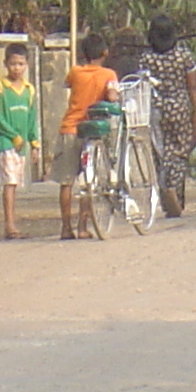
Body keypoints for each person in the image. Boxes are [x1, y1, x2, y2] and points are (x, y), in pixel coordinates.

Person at [135, 17, 196, 218]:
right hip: (179, 106)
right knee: (179, 152)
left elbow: (142, 84)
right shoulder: (184, 56)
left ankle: (166, 195)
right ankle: (174, 190)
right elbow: (192, 87)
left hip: (155, 108)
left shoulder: (146, 58)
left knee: (160, 152)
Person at [55, 35, 119, 241]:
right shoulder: (109, 74)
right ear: (105, 53)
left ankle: (66, 227)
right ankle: (82, 227)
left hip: (70, 129)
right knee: (88, 181)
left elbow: (67, 84)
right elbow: (111, 97)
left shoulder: (75, 72)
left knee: (67, 182)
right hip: (92, 131)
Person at [0, 46, 41, 241]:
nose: (16, 68)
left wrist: (34, 143)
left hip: (22, 144)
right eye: (12, 64)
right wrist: (13, 136)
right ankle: (9, 225)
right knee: (9, 182)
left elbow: (31, 117)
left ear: (26, 65)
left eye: (20, 64)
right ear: (5, 64)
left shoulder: (29, 89)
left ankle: (12, 222)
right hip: (6, 142)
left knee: (15, 183)